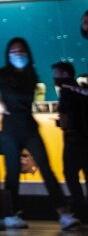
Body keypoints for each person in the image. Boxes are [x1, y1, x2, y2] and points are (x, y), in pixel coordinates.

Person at [0, 39, 80, 230]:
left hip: (29, 125)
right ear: (8, 53)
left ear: (27, 53)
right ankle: (11, 214)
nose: (17, 54)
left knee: (46, 168)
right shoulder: (2, 73)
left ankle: (63, 214)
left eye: (21, 51)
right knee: (12, 172)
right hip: (10, 127)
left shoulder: (31, 74)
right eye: (13, 51)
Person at [55, 61, 88, 222]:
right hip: (85, 137)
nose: (55, 77)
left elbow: (64, 115)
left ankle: (79, 210)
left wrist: (62, 124)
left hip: (73, 138)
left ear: (65, 74)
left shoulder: (66, 89)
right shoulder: (81, 89)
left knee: (70, 174)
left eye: (56, 73)